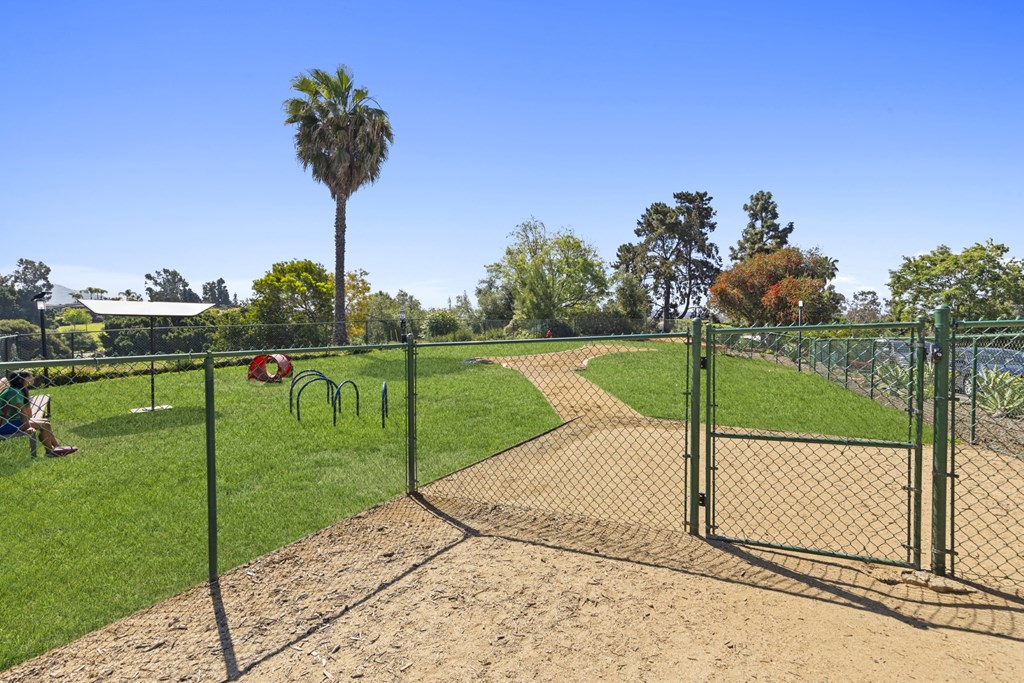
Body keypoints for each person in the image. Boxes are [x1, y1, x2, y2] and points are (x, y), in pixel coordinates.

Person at [0, 370, 78, 457]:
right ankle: (50, 451)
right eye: (29, 377)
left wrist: (26, 397)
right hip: (3, 425)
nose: (32, 378)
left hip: (10, 421)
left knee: (45, 422)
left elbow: (28, 414)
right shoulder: (14, 393)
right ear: (20, 380)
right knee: (44, 425)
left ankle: (56, 448)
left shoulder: (19, 390)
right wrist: (28, 427)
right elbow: (22, 413)